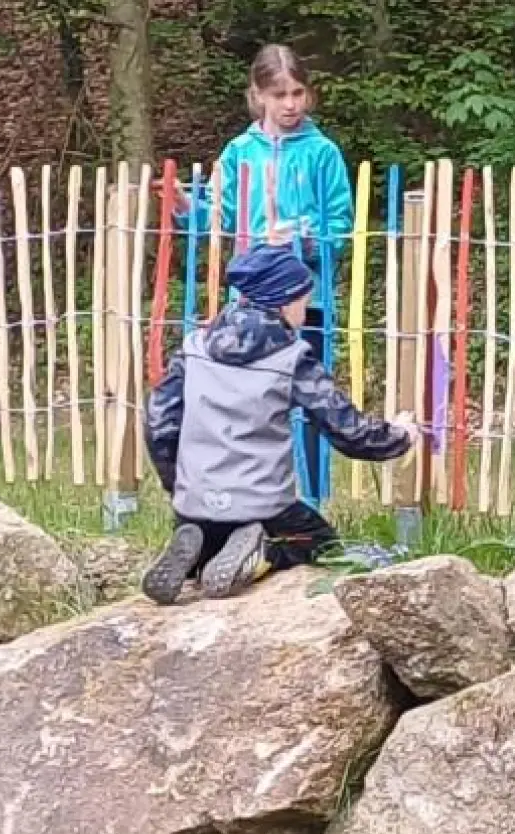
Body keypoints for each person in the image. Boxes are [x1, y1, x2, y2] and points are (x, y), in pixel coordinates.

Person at [141, 243, 418, 604]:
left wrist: (177, 485)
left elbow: (159, 423)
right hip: (265, 507)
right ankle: (267, 554)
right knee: (322, 546)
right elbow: (347, 431)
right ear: (286, 302)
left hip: (195, 504)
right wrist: (399, 437)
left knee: (213, 544)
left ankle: (198, 552)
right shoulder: (291, 358)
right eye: (305, 299)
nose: (306, 307)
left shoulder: (194, 348)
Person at [177, 43, 355, 504]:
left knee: (311, 398)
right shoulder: (239, 153)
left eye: (298, 92)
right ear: (258, 95)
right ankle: (253, 498)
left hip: (306, 303)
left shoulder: (323, 154)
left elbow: (341, 227)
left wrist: (304, 240)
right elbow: (216, 217)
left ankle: (312, 500)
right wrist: (184, 209)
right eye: (279, 94)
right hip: (250, 306)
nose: (290, 104)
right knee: (252, 403)